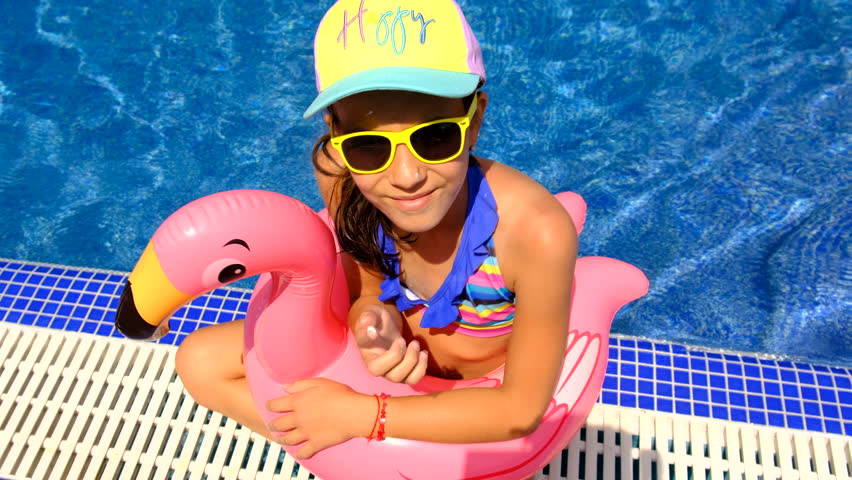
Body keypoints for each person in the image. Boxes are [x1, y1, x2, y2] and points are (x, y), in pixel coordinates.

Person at [174, 0, 578, 473]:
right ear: (336, 134)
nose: (407, 177)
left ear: (475, 119)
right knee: (200, 363)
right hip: (382, 369)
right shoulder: (339, 172)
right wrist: (372, 321)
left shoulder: (535, 233)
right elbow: (367, 279)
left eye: (436, 137)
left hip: (473, 393)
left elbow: (519, 411)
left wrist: (362, 416)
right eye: (368, 145)